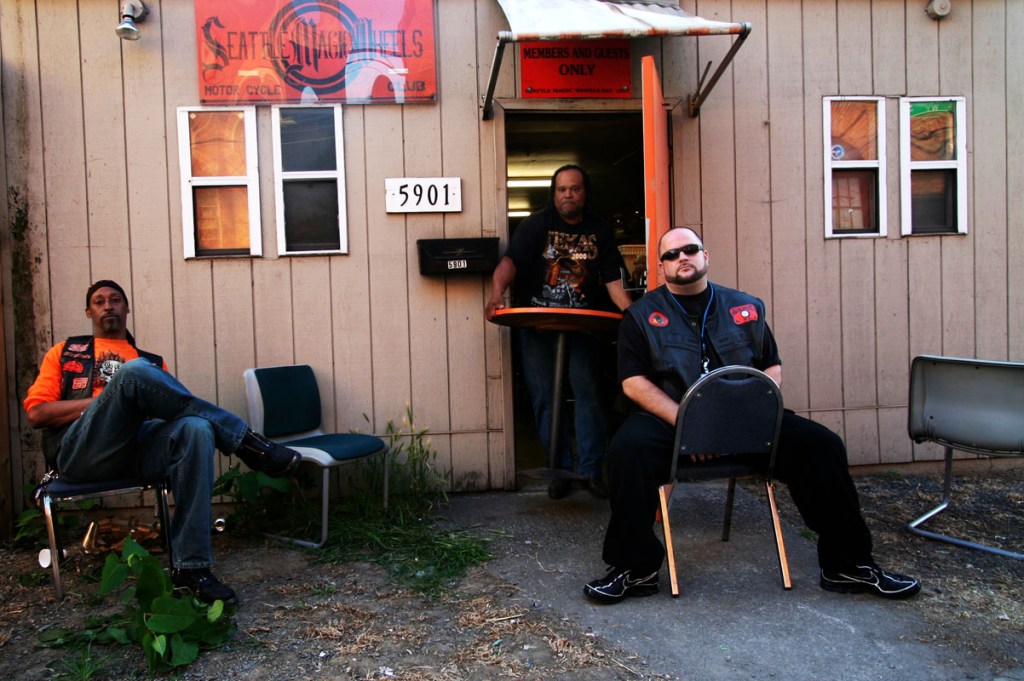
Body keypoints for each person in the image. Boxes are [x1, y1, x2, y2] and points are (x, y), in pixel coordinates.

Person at [583, 227, 921, 603]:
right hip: (674, 422)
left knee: (821, 445)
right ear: (661, 267)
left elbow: (771, 369)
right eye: (671, 254)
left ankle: (848, 565)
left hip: (745, 421)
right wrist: (696, 426)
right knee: (628, 451)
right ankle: (635, 569)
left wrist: (733, 423)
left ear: (705, 256)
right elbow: (633, 383)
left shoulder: (745, 307)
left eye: (690, 249)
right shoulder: (641, 316)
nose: (682, 258)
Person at [24, 280, 302, 606]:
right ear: (89, 311)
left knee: (196, 428)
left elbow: (170, 419)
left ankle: (190, 567)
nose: (108, 305)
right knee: (133, 374)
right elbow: (38, 413)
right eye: (99, 301)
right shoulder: (66, 352)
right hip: (81, 453)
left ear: (126, 308)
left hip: (134, 452)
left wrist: (130, 402)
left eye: (115, 300)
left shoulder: (151, 362)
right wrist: (106, 402)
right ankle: (247, 442)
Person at [486, 165, 632, 499]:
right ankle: (559, 471)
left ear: (585, 193)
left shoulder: (600, 231)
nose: (568, 195)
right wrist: (497, 294)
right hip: (537, 327)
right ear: (554, 194)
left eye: (575, 189)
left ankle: (592, 471)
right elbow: (511, 262)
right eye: (562, 189)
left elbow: (613, 281)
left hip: (583, 327)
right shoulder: (537, 224)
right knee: (544, 398)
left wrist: (632, 315)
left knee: (588, 395)